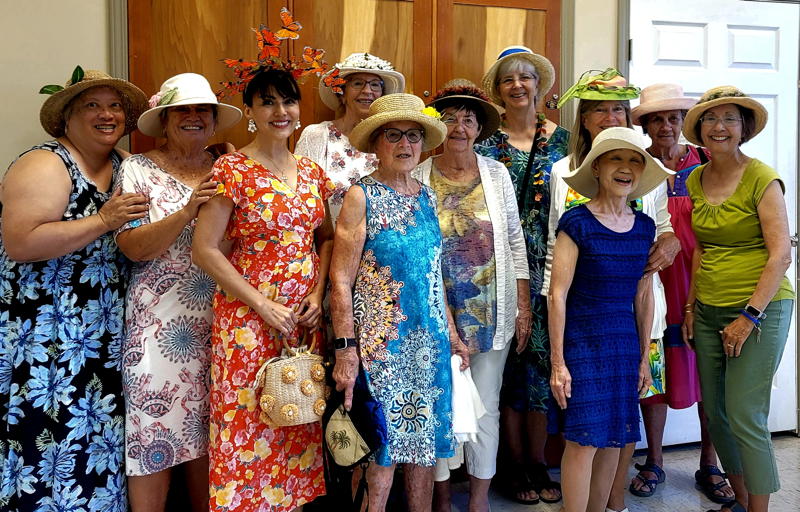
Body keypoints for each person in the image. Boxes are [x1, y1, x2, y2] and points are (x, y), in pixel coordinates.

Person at [193, 18, 336, 510]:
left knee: (295, 414)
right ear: (251, 111)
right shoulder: (231, 169)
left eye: (288, 100)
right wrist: (261, 304)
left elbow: (327, 240)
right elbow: (205, 249)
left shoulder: (314, 172)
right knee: (250, 417)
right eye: (268, 101)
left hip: (300, 317)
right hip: (249, 318)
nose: (281, 110)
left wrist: (317, 296)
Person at [0, 67, 148, 509]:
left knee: (97, 439)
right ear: (66, 118)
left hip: (102, 331)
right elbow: (20, 243)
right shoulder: (46, 163)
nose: (107, 114)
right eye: (92, 105)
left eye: (115, 106)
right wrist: (103, 220)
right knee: (43, 440)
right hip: (45, 334)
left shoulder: (124, 165)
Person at [541, 69, 680, 512]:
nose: (625, 168)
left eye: (634, 161)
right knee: (583, 440)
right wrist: (559, 364)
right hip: (583, 341)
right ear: (596, 167)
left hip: (624, 345)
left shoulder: (643, 227)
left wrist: (643, 356)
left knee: (618, 438)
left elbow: (642, 294)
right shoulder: (575, 223)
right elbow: (558, 293)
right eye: (614, 160)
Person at [330, 93, 468, 512]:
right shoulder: (360, 196)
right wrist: (346, 350)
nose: (405, 144)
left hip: (429, 346)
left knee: (423, 451)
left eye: (413, 136)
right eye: (394, 136)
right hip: (379, 348)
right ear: (377, 143)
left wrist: (454, 335)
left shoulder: (427, 196)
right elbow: (339, 279)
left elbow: (434, 274)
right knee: (378, 456)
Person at [115, 73, 241, 511]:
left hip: (224, 325)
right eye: (181, 110)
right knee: (153, 435)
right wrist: (188, 210)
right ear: (164, 120)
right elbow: (132, 247)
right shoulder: (138, 168)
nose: (193, 117)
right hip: (158, 327)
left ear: (212, 121)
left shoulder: (230, 166)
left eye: (201, 110)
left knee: (211, 437)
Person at [412, 79, 529, 512]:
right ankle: (442, 497)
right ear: (436, 129)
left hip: (492, 312)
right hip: (435, 314)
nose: (458, 127)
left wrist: (523, 307)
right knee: (440, 406)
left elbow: (515, 241)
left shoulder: (496, 174)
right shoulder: (418, 174)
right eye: (449, 119)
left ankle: (479, 500)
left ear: (480, 129)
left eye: (468, 120)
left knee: (486, 409)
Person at [682, 86, 794, 512]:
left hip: (760, 309)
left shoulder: (762, 178)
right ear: (701, 130)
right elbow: (701, 249)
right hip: (708, 310)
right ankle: (743, 502)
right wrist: (692, 308)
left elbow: (781, 254)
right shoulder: (695, 178)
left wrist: (749, 316)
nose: (720, 127)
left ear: (744, 127)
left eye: (729, 118)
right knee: (716, 414)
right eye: (711, 119)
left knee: (746, 415)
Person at [629, 83, 734, 504]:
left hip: (701, 282)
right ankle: (653, 459)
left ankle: (710, 462)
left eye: (674, 117)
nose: (666, 125)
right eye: (657, 118)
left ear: (686, 123)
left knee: (709, 372)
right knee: (652, 367)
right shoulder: (633, 164)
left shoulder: (708, 163)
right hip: (652, 284)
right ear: (647, 124)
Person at [474, 45, 569, 504]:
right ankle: (511, 467)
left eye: (526, 77)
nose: (518, 85)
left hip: (555, 265)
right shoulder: (483, 145)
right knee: (506, 369)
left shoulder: (565, 142)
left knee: (542, 368)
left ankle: (538, 461)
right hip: (499, 267)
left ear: (539, 86)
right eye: (508, 79)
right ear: (497, 90)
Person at [295, 52, 405, 225]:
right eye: (358, 83)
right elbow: (302, 199)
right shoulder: (316, 135)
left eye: (375, 85)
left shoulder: (393, 140)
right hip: (328, 245)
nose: (367, 91)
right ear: (342, 94)